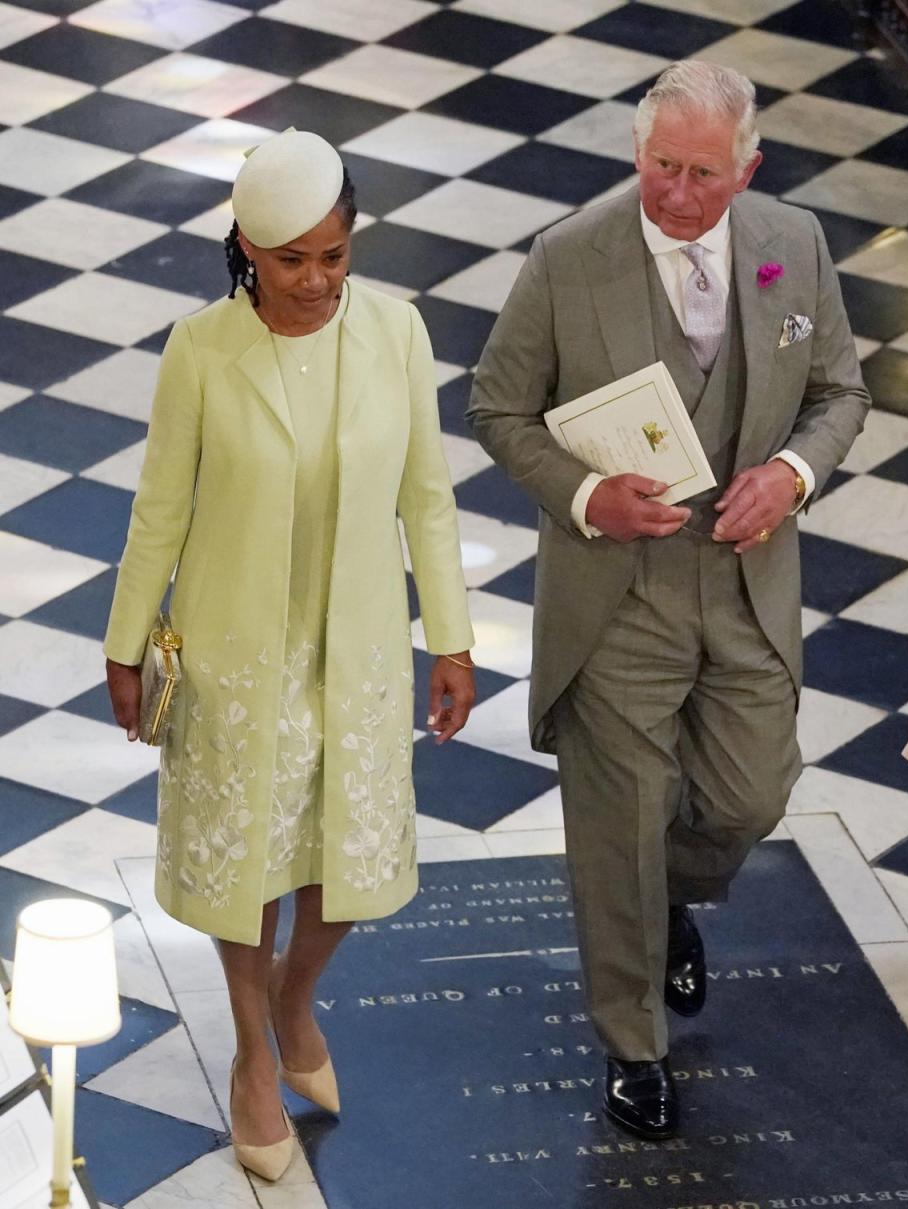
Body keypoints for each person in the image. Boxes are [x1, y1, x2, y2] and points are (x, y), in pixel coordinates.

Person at [468, 61, 869, 1139]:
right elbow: (498, 408)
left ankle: (672, 903)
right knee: (619, 824)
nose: (678, 194)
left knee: (747, 798)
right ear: (635, 153)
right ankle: (633, 1046)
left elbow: (840, 391)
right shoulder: (569, 258)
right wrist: (591, 493)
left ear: (750, 168)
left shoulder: (797, 244)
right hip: (617, 593)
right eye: (660, 167)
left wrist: (792, 475)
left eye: (703, 173)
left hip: (745, 583)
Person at [104, 129, 475, 1181]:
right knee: (250, 863)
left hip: (354, 648)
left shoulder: (398, 334)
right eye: (290, 260)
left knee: (347, 862)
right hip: (232, 652)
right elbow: (159, 511)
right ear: (247, 251)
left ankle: (293, 995)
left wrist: (449, 636)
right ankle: (254, 1053)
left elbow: (429, 499)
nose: (316, 281)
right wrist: (125, 645)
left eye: (334, 256)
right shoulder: (203, 352)